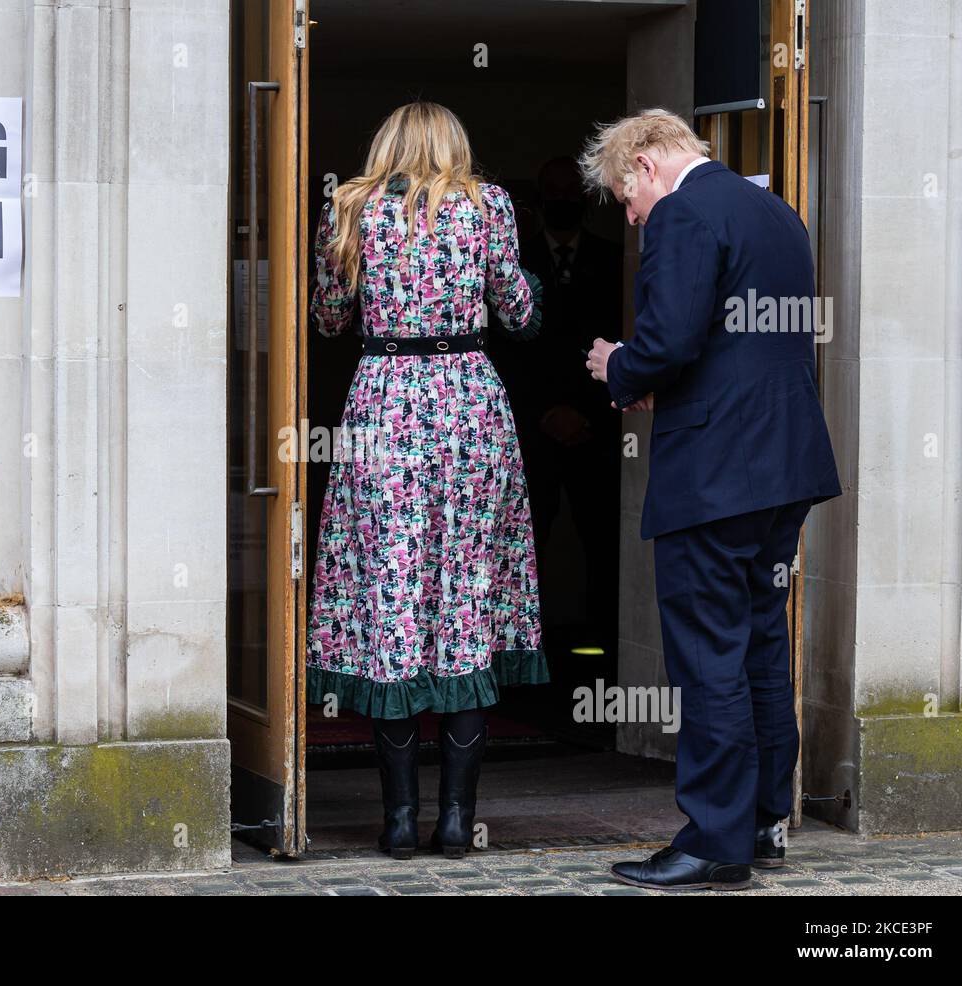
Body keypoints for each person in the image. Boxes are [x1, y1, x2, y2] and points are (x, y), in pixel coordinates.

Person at [580, 109, 841, 890]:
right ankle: (763, 821)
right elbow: (747, 343)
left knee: (708, 657)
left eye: (627, 198)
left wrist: (617, 367)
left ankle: (715, 841)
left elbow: (668, 339)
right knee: (761, 644)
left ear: (648, 163)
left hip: (717, 475)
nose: (630, 216)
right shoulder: (776, 210)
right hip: (784, 466)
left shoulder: (685, 212)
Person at [306, 101, 548, 860]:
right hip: (469, 400)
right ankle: (456, 820)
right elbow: (518, 312)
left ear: (385, 144)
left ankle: (400, 821)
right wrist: (523, 286)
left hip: (385, 398)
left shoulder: (349, 207)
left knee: (393, 595)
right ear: (455, 145)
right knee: (465, 592)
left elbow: (328, 318)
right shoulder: (489, 207)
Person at [489, 157, 623, 653]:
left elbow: (625, 336)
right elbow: (504, 346)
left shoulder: (614, 259)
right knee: (524, 541)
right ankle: (523, 656)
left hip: (596, 425)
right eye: (556, 190)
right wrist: (545, 410)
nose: (565, 198)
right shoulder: (512, 263)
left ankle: (604, 647)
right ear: (541, 196)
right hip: (532, 428)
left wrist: (585, 410)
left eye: (574, 190)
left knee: (604, 540)